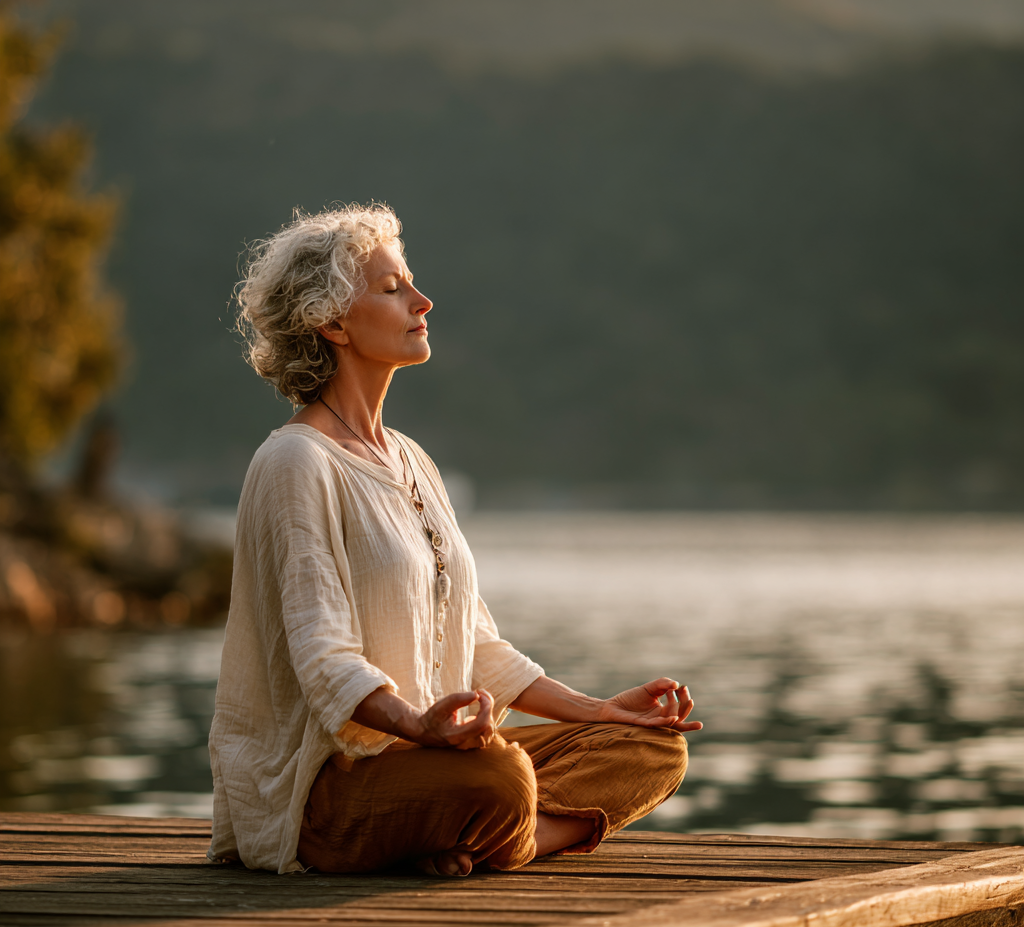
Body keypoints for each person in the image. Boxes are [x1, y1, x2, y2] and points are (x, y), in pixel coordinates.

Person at [208, 203, 702, 877]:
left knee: (650, 750)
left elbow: (479, 648)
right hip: (335, 790)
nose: (423, 300)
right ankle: (497, 834)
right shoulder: (297, 462)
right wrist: (420, 727)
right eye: (392, 289)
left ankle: (470, 843)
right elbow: (322, 659)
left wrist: (602, 710)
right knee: (500, 778)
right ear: (332, 323)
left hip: (441, 766)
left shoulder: (413, 461)